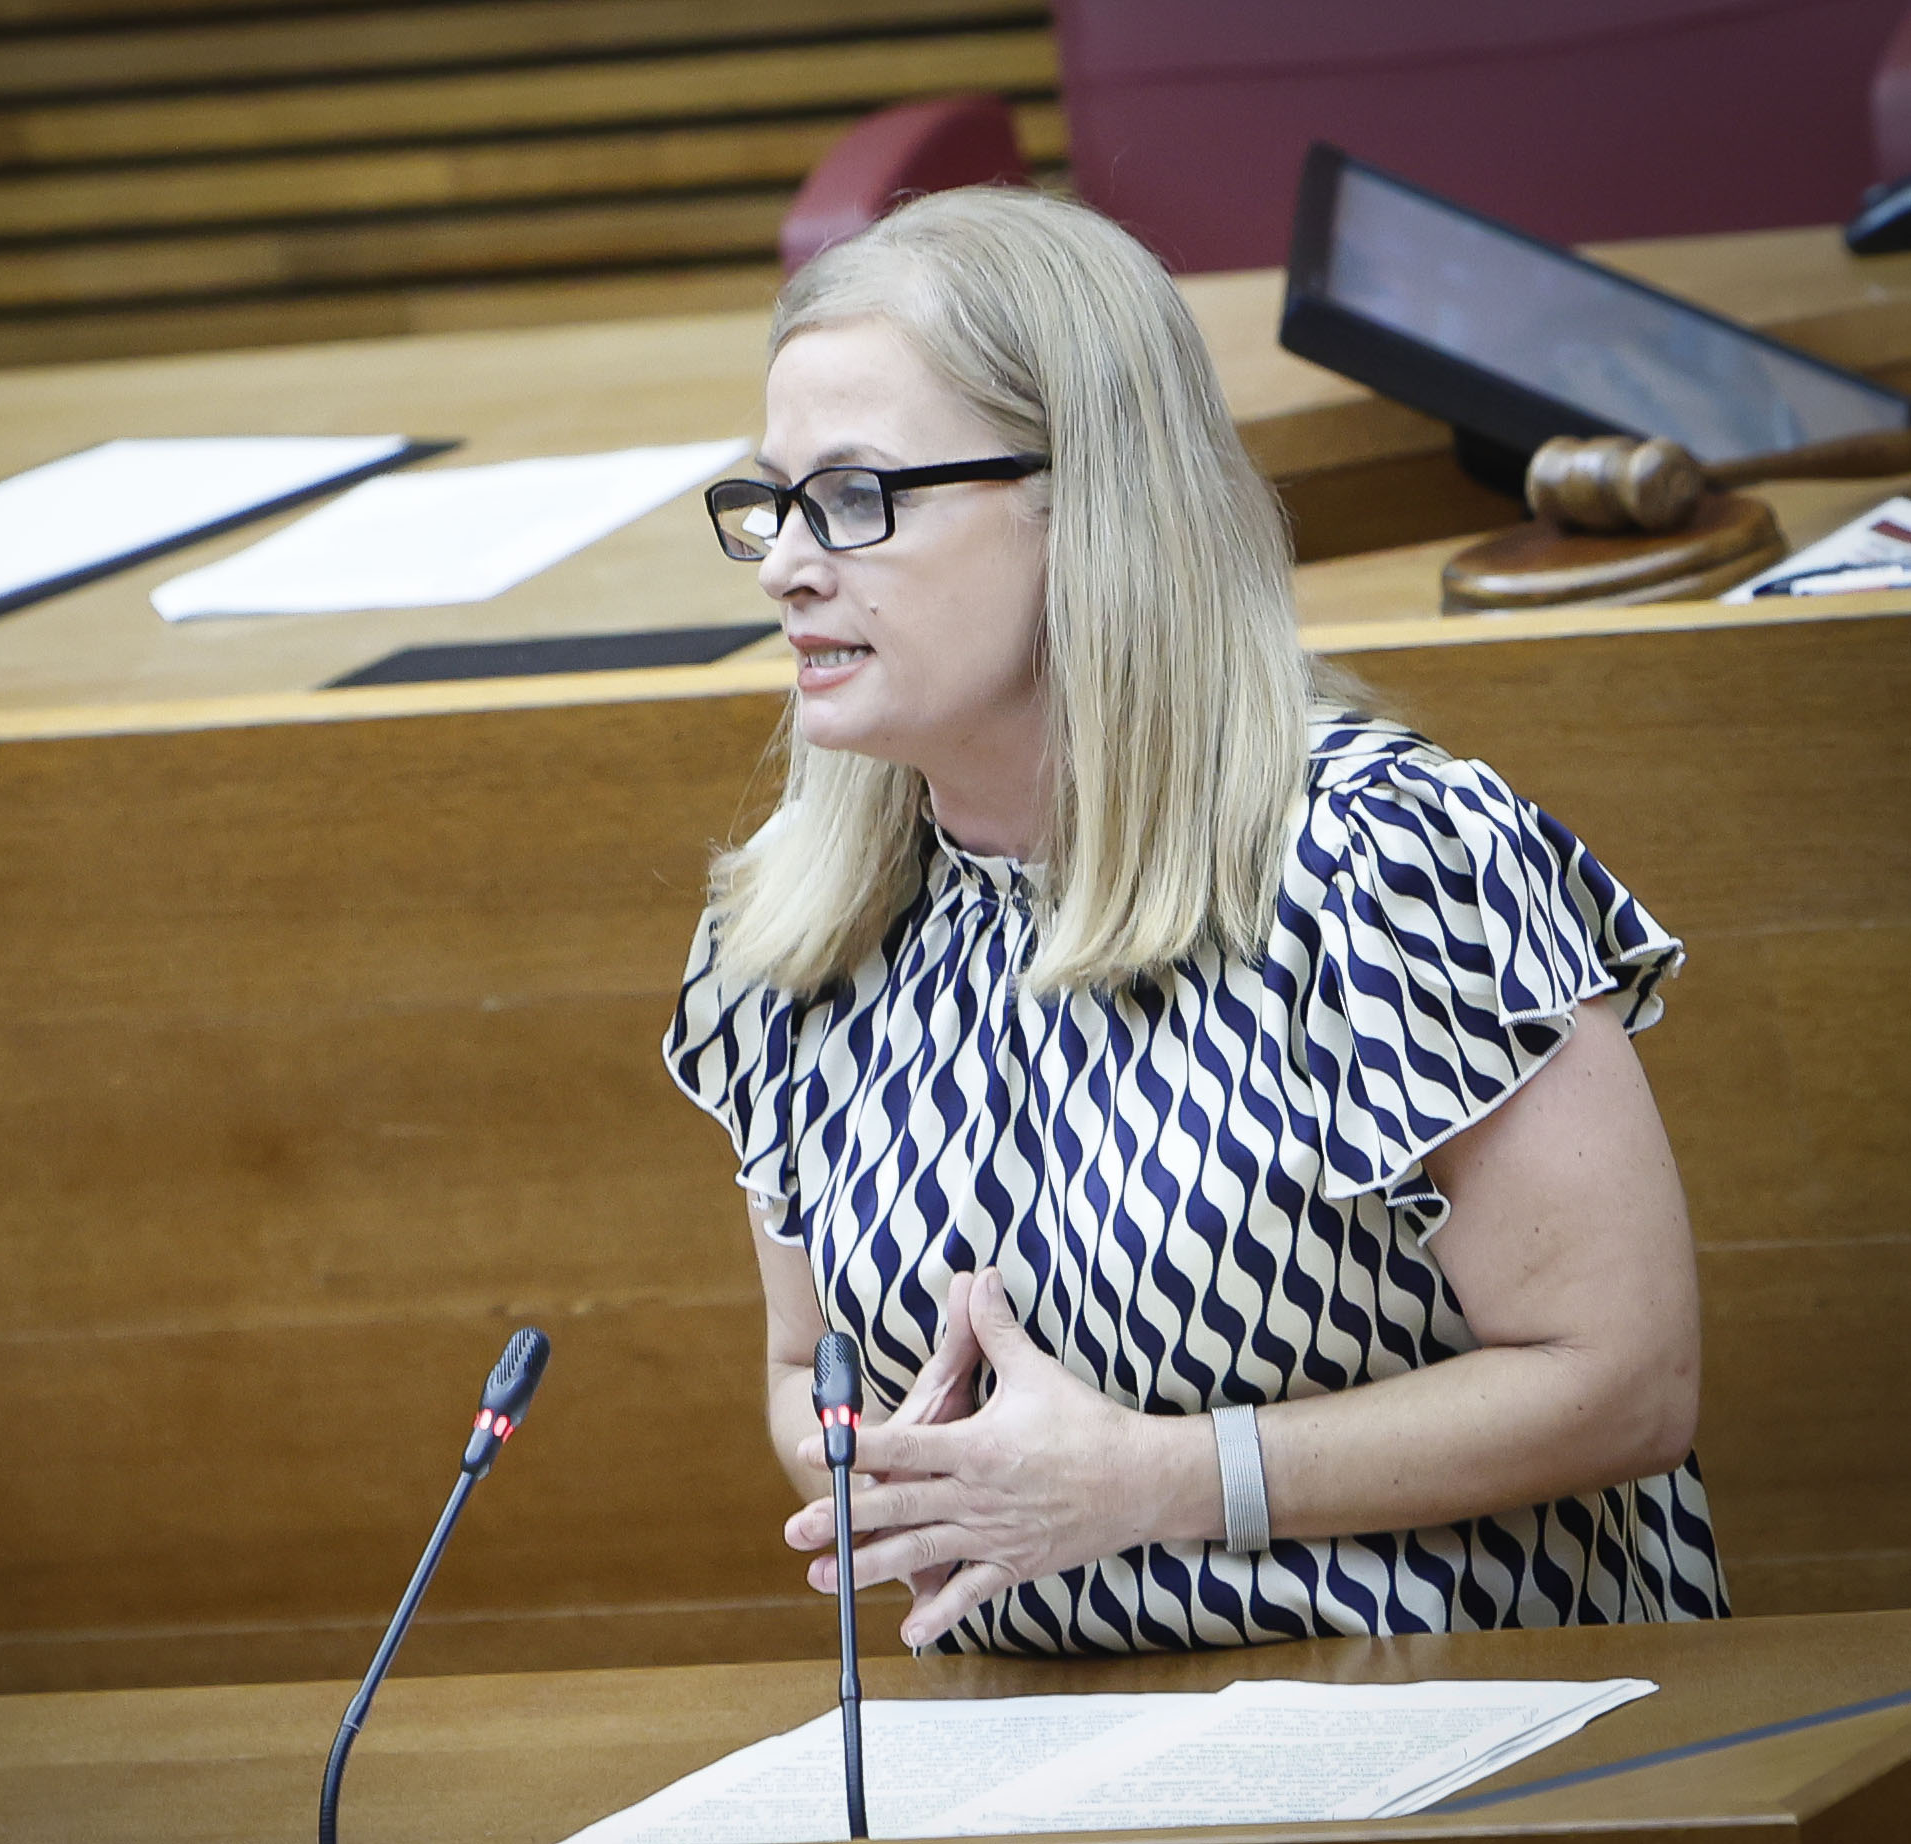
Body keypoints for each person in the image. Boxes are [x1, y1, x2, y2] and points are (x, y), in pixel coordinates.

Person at [662, 187, 1725, 1657]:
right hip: (1028, 1758)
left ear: (1085, 498)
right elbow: (806, 1373)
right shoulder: (790, 931)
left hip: (1450, 1710)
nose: (786, 562)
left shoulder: (1381, 858)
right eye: (771, 502)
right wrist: (899, 1482)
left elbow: (1624, 1380)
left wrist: (1155, 1484)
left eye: (855, 498)